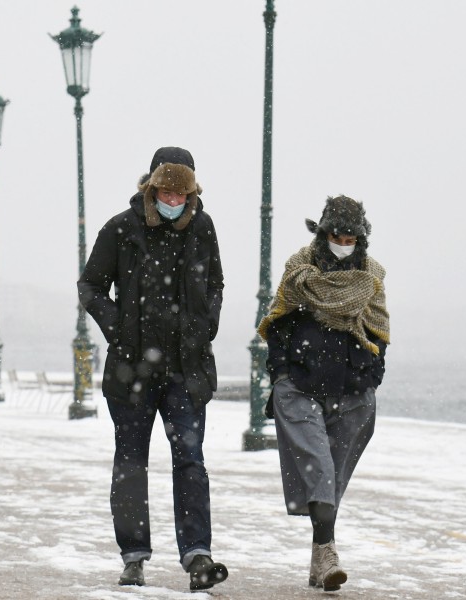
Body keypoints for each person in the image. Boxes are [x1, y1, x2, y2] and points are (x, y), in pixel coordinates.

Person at [78, 147, 228, 591]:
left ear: (193, 192)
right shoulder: (122, 228)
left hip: (186, 369)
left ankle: (198, 555)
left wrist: (205, 329)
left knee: (190, 461)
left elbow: (216, 283)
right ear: (151, 186)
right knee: (130, 462)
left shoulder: (203, 228)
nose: (173, 199)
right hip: (131, 371)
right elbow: (91, 285)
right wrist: (119, 331)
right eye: (166, 190)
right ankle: (133, 555)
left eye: (182, 193)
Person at [258, 196, 390, 591]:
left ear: (361, 239)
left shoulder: (372, 277)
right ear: (322, 233)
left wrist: (372, 374)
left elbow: (379, 332)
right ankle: (329, 551)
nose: (344, 242)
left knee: (332, 475)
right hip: (300, 385)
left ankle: (320, 553)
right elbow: (276, 323)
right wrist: (281, 373)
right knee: (318, 466)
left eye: (352, 237)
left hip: (352, 391)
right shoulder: (299, 272)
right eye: (337, 235)